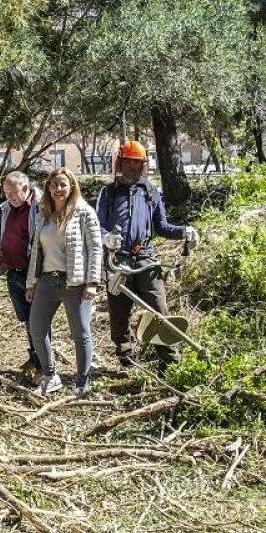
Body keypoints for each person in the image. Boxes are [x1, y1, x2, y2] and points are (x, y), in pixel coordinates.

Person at [94, 141, 199, 368]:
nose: (132, 167)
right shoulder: (108, 193)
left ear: (143, 165)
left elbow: (161, 226)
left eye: (137, 163)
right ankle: (127, 361)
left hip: (146, 259)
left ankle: (170, 363)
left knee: (159, 310)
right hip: (117, 261)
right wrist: (106, 237)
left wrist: (184, 231)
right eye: (128, 162)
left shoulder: (151, 192)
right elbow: (97, 225)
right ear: (119, 163)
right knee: (119, 314)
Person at [25, 168, 102, 397]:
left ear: (72, 187)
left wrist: (92, 282)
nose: (58, 189)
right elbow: (36, 251)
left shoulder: (84, 212)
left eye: (63, 185)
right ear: (48, 188)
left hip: (75, 283)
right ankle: (50, 375)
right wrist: (31, 282)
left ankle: (82, 381)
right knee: (36, 329)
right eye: (54, 185)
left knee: (80, 333)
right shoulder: (43, 213)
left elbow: (96, 248)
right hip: (47, 281)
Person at [0, 171, 43, 376]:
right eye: (6, 193)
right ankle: (34, 357)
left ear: (26, 188)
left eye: (13, 193)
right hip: (13, 272)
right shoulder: (5, 208)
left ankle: (44, 365)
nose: (10, 197)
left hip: (33, 273)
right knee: (26, 319)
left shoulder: (41, 207)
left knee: (38, 320)